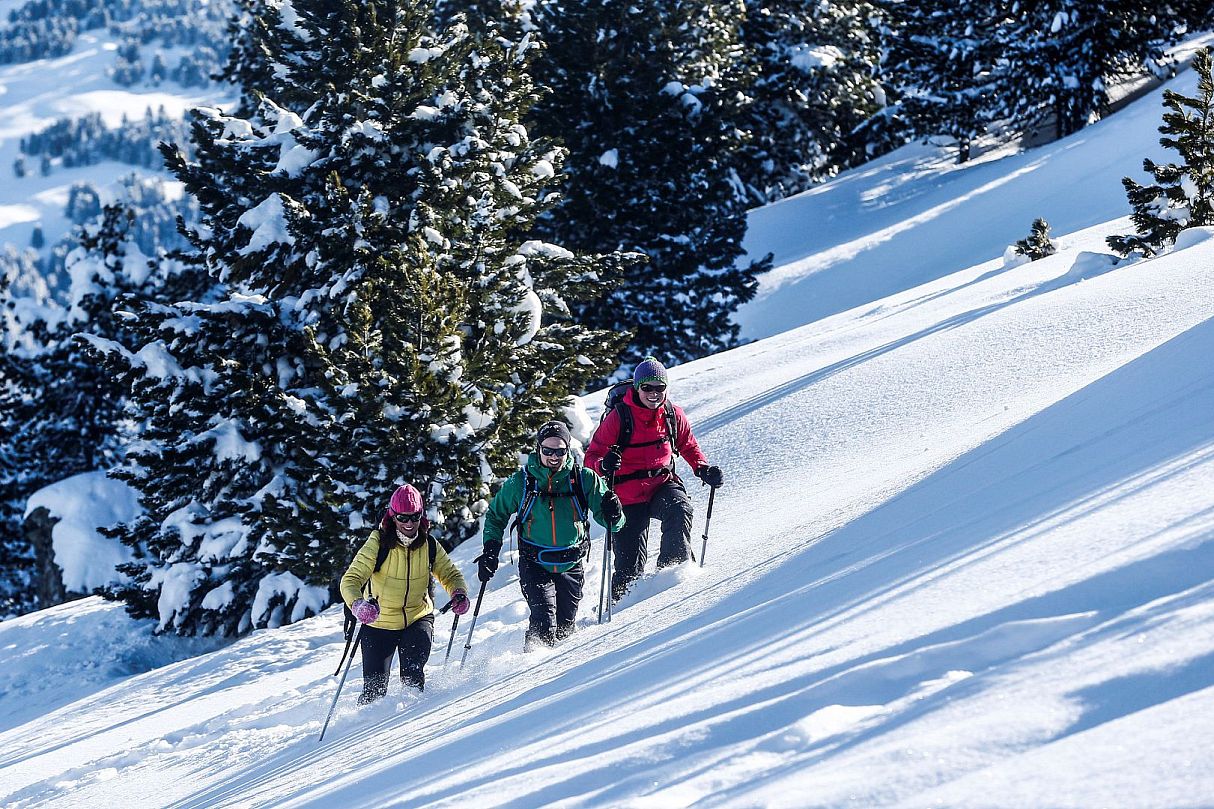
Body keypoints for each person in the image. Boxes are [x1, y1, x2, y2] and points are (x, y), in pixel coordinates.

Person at [477, 420, 624, 650]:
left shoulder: (584, 479)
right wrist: (491, 549)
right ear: (538, 449)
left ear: (567, 450)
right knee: (544, 624)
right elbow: (496, 514)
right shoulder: (522, 481)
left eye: (560, 451)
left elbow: (612, 524)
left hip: (571, 563)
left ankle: (556, 678)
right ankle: (529, 669)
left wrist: (614, 512)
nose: (553, 457)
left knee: (565, 630)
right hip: (535, 563)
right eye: (547, 450)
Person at [584, 356, 723, 601]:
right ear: (637, 388)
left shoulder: (672, 414)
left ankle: (671, 576)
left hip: (662, 484)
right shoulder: (620, 417)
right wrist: (603, 464)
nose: (654, 393)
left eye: (660, 388)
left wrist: (702, 469)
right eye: (647, 387)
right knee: (629, 567)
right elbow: (592, 457)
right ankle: (622, 605)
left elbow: (687, 445)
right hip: (626, 494)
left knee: (679, 510)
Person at [341, 483, 469, 702]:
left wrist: (458, 592)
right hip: (379, 622)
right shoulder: (378, 543)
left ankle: (410, 725)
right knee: (374, 690)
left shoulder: (429, 544)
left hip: (417, 617)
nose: (409, 523)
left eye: (415, 516)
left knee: (413, 677)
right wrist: (358, 605)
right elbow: (350, 580)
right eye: (402, 517)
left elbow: (450, 574)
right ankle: (363, 728)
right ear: (392, 516)